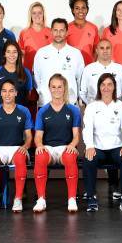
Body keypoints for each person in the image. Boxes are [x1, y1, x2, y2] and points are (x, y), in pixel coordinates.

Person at [82, 73, 122, 212]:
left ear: (114, 87)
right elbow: (87, 129)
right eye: (103, 84)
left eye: (109, 84)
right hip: (98, 147)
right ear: (99, 87)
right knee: (88, 159)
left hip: (116, 147)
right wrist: (89, 146)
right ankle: (91, 198)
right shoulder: (92, 107)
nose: (106, 88)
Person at [33, 74, 82, 213]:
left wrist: (72, 145)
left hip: (65, 147)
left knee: (69, 156)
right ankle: (41, 199)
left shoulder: (73, 110)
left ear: (64, 88)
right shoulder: (43, 111)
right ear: (49, 88)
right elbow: (38, 136)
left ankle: (72, 199)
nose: (56, 90)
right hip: (48, 148)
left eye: (59, 87)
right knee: (40, 156)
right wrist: (40, 146)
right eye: (53, 87)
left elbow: (76, 136)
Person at [0, 80, 33, 213]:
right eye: (4, 91)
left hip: (17, 148)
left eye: (11, 91)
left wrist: (26, 146)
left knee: (21, 159)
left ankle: (18, 199)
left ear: (16, 93)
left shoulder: (24, 111)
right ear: (0, 93)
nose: (7, 94)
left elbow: (29, 135)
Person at [33, 18, 84, 106]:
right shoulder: (41, 53)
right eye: (55, 30)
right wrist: (42, 92)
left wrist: (78, 97)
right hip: (46, 102)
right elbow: (36, 77)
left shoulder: (75, 53)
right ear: (51, 32)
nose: (58, 34)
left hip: (70, 102)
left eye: (61, 30)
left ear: (67, 32)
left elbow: (81, 79)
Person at [79, 39, 122, 105]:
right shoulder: (88, 69)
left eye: (107, 48)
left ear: (111, 50)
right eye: (102, 48)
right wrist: (91, 104)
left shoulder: (120, 69)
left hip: (115, 109)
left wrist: (116, 104)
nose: (105, 51)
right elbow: (82, 92)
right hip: (94, 109)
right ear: (97, 51)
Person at [0, 41, 34, 106]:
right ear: (4, 54)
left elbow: (28, 94)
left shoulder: (26, 72)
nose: (11, 55)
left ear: (18, 54)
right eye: (8, 52)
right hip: (0, 113)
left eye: (14, 52)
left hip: (19, 113)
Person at [18, 1, 53, 71]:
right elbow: (20, 55)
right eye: (34, 13)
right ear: (30, 15)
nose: (37, 15)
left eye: (40, 13)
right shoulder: (24, 32)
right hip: (28, 72)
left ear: (43, 14)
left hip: (46, 71)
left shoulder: (51, 32)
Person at [66, 0, 99, 65]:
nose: (80, 11)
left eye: (83, 8)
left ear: (87, 9)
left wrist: (92, 63)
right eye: (77, 8)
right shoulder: (67, 28)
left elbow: (97, 49)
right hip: (71, 66)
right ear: (73, 10)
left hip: (88, 67)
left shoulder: (93, 28)